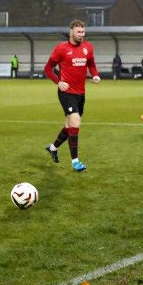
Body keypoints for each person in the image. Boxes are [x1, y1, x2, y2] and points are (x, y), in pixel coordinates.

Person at [44, 19, 101, 172]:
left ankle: (52, 147)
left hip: (80, 93)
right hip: (66, 92)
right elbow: (48, 68)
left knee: (70, 126)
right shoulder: (61, 49)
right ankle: (75, 161)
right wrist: (58, 82)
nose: (81, 35)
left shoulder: (88, 47)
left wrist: (95, 75)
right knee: (75, 122)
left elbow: (91, 64)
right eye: (78, 32)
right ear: (71, 32)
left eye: (83, 32)